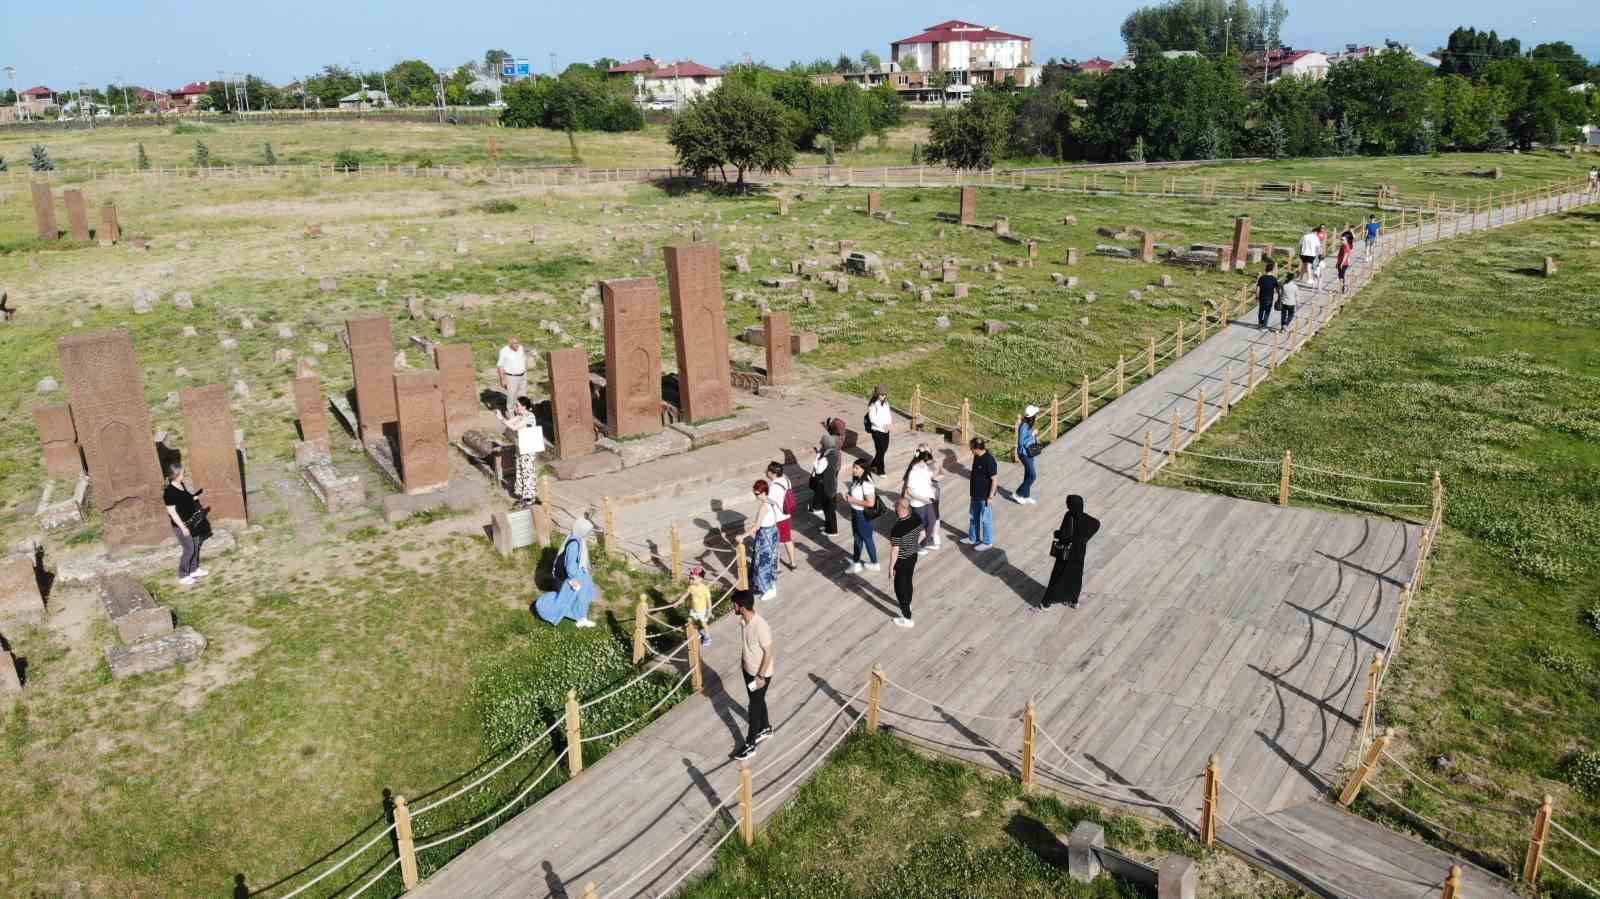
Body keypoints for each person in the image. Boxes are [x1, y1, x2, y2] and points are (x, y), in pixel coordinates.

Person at [731, 590, 775, 760]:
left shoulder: (760, 626)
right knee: (757, 700)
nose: (733, 607)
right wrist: (743, 661)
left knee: (753, 708)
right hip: (748, 670)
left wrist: (761, 677)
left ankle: (750, 745)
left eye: (734, 604)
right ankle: (765, 728)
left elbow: (769, 652)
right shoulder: (744, 622)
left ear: (741, 607)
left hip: (760, 674)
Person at [1040, 495, 1101, 610]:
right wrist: (1085, 538)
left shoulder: (1069, 516)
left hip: (1066, 554)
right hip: (1079, 553)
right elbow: (1097, 524)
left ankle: (1046, 602)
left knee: (1058, 576)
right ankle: (1073, 601)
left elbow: (1065, 535)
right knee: (1075, 577)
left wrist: (1057, 534)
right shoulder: (1086, 518)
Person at [535, 518, 598, 627]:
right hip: (572, 575)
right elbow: (570, 567)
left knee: (584, 591)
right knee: (580, 593)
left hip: (576, 572)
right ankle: (580, 617)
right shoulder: (574, 545)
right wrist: (578, 577)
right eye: (588, 531)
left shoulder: (577, 539)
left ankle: (581, 615)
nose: (589, 534)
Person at [163, 461, 209, 586]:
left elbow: (186, 499)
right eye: (183, 473)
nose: (185, 474)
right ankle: (183, 575)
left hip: (192, 521)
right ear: (176, 474)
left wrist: (196, 497)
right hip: (181, 526)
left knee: (195, 545)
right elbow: (172, 513)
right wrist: (183, 528)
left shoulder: (181, 484)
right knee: (189, 549)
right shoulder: (169, 492)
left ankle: (194, 570)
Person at [497, 398, 545, 508]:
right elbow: (508, 423)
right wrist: (501, 419)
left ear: (524, 406)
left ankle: (530, 498)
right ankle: (524, 496)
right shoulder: (520, 416)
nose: (515, 407)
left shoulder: (529, 416)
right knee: (521, 471)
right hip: (521, 448)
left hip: (528, 449)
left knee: (527, 472)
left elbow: (514, 427)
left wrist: (501, 419)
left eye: (517, 405)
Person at [887, 497, 922, 628]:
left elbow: (895, 550)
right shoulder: (916, 517)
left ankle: (907, 617)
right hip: (913, 555)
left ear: (900, 509)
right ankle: (908, 603)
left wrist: (891, 567)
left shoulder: (897, 528)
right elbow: (923, 533)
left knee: (899, 588)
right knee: (908, 581)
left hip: (902, 560)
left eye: (896, 506)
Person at [845, 459, 881, 574]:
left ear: (864, 469)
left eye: (857, 468)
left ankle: (875, 563)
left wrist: (852, 500)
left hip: (862, 516)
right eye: (853, 467)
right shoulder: (859, 480)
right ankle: (856, 564)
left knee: (866, 539)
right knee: (858, 539)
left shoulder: (866, 483)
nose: (853, 470)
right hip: (856, 513)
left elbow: (871, 503)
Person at [747, 479, 781, 602]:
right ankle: (770, 584)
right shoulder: (771, 501)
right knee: (770, 560)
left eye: (756, 494)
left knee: (763, 562)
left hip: (765, 535)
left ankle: (768, 589)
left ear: (762, 493)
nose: (755, 496)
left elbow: (756, 526)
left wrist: (743, 536)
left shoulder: (763, 506)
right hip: (772, 533)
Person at [963, 437, 999, 550]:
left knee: (986, 519)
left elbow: (995, 479)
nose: (970, 450)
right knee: (973, 517)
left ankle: (987, 542)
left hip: (985, 497)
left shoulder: (989, 460)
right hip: (975, 494)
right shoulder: (976, 456)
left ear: (977, 449)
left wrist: (990, 496)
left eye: (971, 449)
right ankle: (973, 538)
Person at [902, 446, 940, 554]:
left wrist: (937, 467)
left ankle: (922, 544)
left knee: (932, 522)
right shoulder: (913, 472)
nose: (928, 464)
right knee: (918, 527)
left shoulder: (926, 469)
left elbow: (933, 476)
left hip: (928, 501)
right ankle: (913, 546)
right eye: (926, 462)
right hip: (918, 503)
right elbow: (909, 491)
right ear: (921, 461)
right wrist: (923, 498)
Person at [809, 420, 841, 537]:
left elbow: (818, 470)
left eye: (822, 444)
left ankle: (832, 530)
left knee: (829, 510)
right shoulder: (834, 453)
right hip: (832, 484)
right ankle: (829, 527)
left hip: (827, 487)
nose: (821, 445)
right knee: (829, 509)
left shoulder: (825, 458)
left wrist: (817, 457)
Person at [764, 461, 797, 570]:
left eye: (768, 471)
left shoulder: (774, 487)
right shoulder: (786, 479)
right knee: (788, 540)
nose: (766, 472)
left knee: (775, 543)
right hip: (786, 516)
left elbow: (770, 501)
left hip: (778, 518)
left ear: (772, 473)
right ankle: (793, 563)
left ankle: (776, 567)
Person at [1014, 405, 1040, 505]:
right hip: (1024, 453)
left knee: (1028, 474)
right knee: (1032, 476)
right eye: (1035, 415)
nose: (1036, 416)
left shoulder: (1027, 425)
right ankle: (1018, 493)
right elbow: (1021, 442)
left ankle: (1026, 495)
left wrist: (1032, 434)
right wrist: (1032, 435)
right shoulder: (1024, 426)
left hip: (1029, 453)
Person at [496, 335, 528, 413]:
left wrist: (525, 371)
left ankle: (520, 412)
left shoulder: (521, 348)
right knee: (512, 396)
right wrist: (502, 379)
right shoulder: (504, 351)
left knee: (522, 395)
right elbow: (500, 366)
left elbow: (523, 359)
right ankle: (510, 412)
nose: (517, 345)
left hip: (522, 375)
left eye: (517, 343)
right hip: (511, 377)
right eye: (514, 343)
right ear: (509, 344)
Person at [866, 386, 893, 477]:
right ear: (877, 394)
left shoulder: (886, 403)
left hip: (886, 429)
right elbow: (872, 418)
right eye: (882, 394)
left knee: (884, 448)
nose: (884, 396)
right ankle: (880, 470)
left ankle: (873, 464)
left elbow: (888, 415)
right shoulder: (873, 405)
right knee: (880, 450)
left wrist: (888, 424)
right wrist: (882, 426)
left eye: (885, 394)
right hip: (877, 430)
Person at [686, 565, 712, 647]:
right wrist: (677, 602)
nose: (690, 580)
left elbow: (708, 600)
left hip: (702, 610)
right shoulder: (691, 587)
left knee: (703, 623)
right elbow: (685, 595)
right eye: (690, 578)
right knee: (690, 621)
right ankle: (695, 633)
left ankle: (707, 637)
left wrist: (709, 611)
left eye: (693, 578)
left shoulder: (704, 588)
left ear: (700, 579)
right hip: (693, 609)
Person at [1256, 259, 1281, 330]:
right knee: (1267, 312)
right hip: (1269, 298)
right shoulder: (1274, 279)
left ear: (1266, 269)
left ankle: (1260, 324)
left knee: (1261, 310)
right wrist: (1279, 297)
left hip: (1261, 298)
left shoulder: (1261, 278)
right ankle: (1264, 326)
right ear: (1272, 270)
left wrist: (1257, 297)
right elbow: (1277, 289)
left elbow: (1258, 288)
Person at [1277, 263, 1301, 332]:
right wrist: (1298, 304)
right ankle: (1286, 325)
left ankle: (1282, 328)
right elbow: (1297, 296)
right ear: (1293, 279)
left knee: (1283, 316)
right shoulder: (1295, 286)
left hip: (1284, 302)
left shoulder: (1284, 285)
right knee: (1291, 315)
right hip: (1291, 303)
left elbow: (1280, 291)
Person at [1336, 227, 1355, 293]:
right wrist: (1338, 262)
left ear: (1346, 240)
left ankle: (1342, 289)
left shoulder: (1346, 246)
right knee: (1340, 275)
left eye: (1343, 240)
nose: (1341, 241)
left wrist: (1341, 263)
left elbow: (1346, 255)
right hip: (1340, 262)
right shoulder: (1342, 246)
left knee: (1341, 276)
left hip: (1343, 264)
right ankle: (1341, 288)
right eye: (1341, 239)